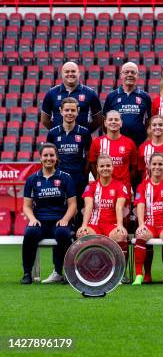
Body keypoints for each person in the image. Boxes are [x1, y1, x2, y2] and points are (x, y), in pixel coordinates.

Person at [20, 144, 77, 284]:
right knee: (30, 233)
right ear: (40, 158)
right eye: (45, 155)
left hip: (59, 221)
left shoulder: (66, 177)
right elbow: (26, 206)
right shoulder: (32, 179)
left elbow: (73, 205)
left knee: (62, 234)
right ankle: (27, 273)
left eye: (52, 155)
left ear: (56, 158)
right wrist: (32, 218)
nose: (49, 158)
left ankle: (66, 272)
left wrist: (65, 219)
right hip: (40, 221)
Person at [132, 153, 163, 285]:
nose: (157, 167)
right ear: (148, 166)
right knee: (140, 235)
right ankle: (139, 275)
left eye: (160, 164)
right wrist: (141, 224)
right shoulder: (142, 186)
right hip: (150, 224)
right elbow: (140, 207)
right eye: (154, 164)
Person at [77, 154, 129, 268]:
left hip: (111, 224)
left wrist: (120, 225)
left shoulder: (120, 186)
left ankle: (119, 272)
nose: (105, 168)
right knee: (83, 234)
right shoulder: (91, 187)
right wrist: (84, 225)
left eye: (108, 166)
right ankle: (89, 270)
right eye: (102, 166)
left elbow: (119, 207)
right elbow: (88, 206)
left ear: (112, 167)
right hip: (94, 224)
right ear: (97, 168)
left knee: (121, 235)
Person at [46, 97, 92, 199]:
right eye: (67, 110)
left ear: (77, 112)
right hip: (58, 178)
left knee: (79, 210)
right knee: (60, 210)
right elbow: (48, 158)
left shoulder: (84, 132)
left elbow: (89, 157)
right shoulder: (53, 133)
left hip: (79, 178)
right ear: (61, 111)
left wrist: (84, 174)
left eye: (73, 110)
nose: (70, 113)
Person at [41, 61, 102, 132]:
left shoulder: (90, 93)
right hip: (57, 140)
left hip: (82, 140)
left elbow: (98, 120)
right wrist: (57, 132)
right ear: (62, 74)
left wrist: (85, 133)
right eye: (67, 72)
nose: (70, 74)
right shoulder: (51, 93)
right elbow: (45, 120)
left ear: (79, 73)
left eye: (73, 71)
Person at [102, 62, 152, 147]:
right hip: (116, 143)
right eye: (126, 72)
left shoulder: (145, 97)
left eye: (133, 72)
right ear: (121, 75)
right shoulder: (111, 96)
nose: (130, 75)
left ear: (137, 75)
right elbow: (104, 121)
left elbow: (149, 121)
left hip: (139, 143)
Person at [88, 110, 138, 192]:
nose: (113, 122)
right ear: (105, 123)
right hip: (104, 188)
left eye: (116, 119)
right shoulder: (97, 143)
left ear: (121, 123)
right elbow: (92, 164)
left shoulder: (130, 143)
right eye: (110, 119)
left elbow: (133, 168)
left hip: (124, 188)